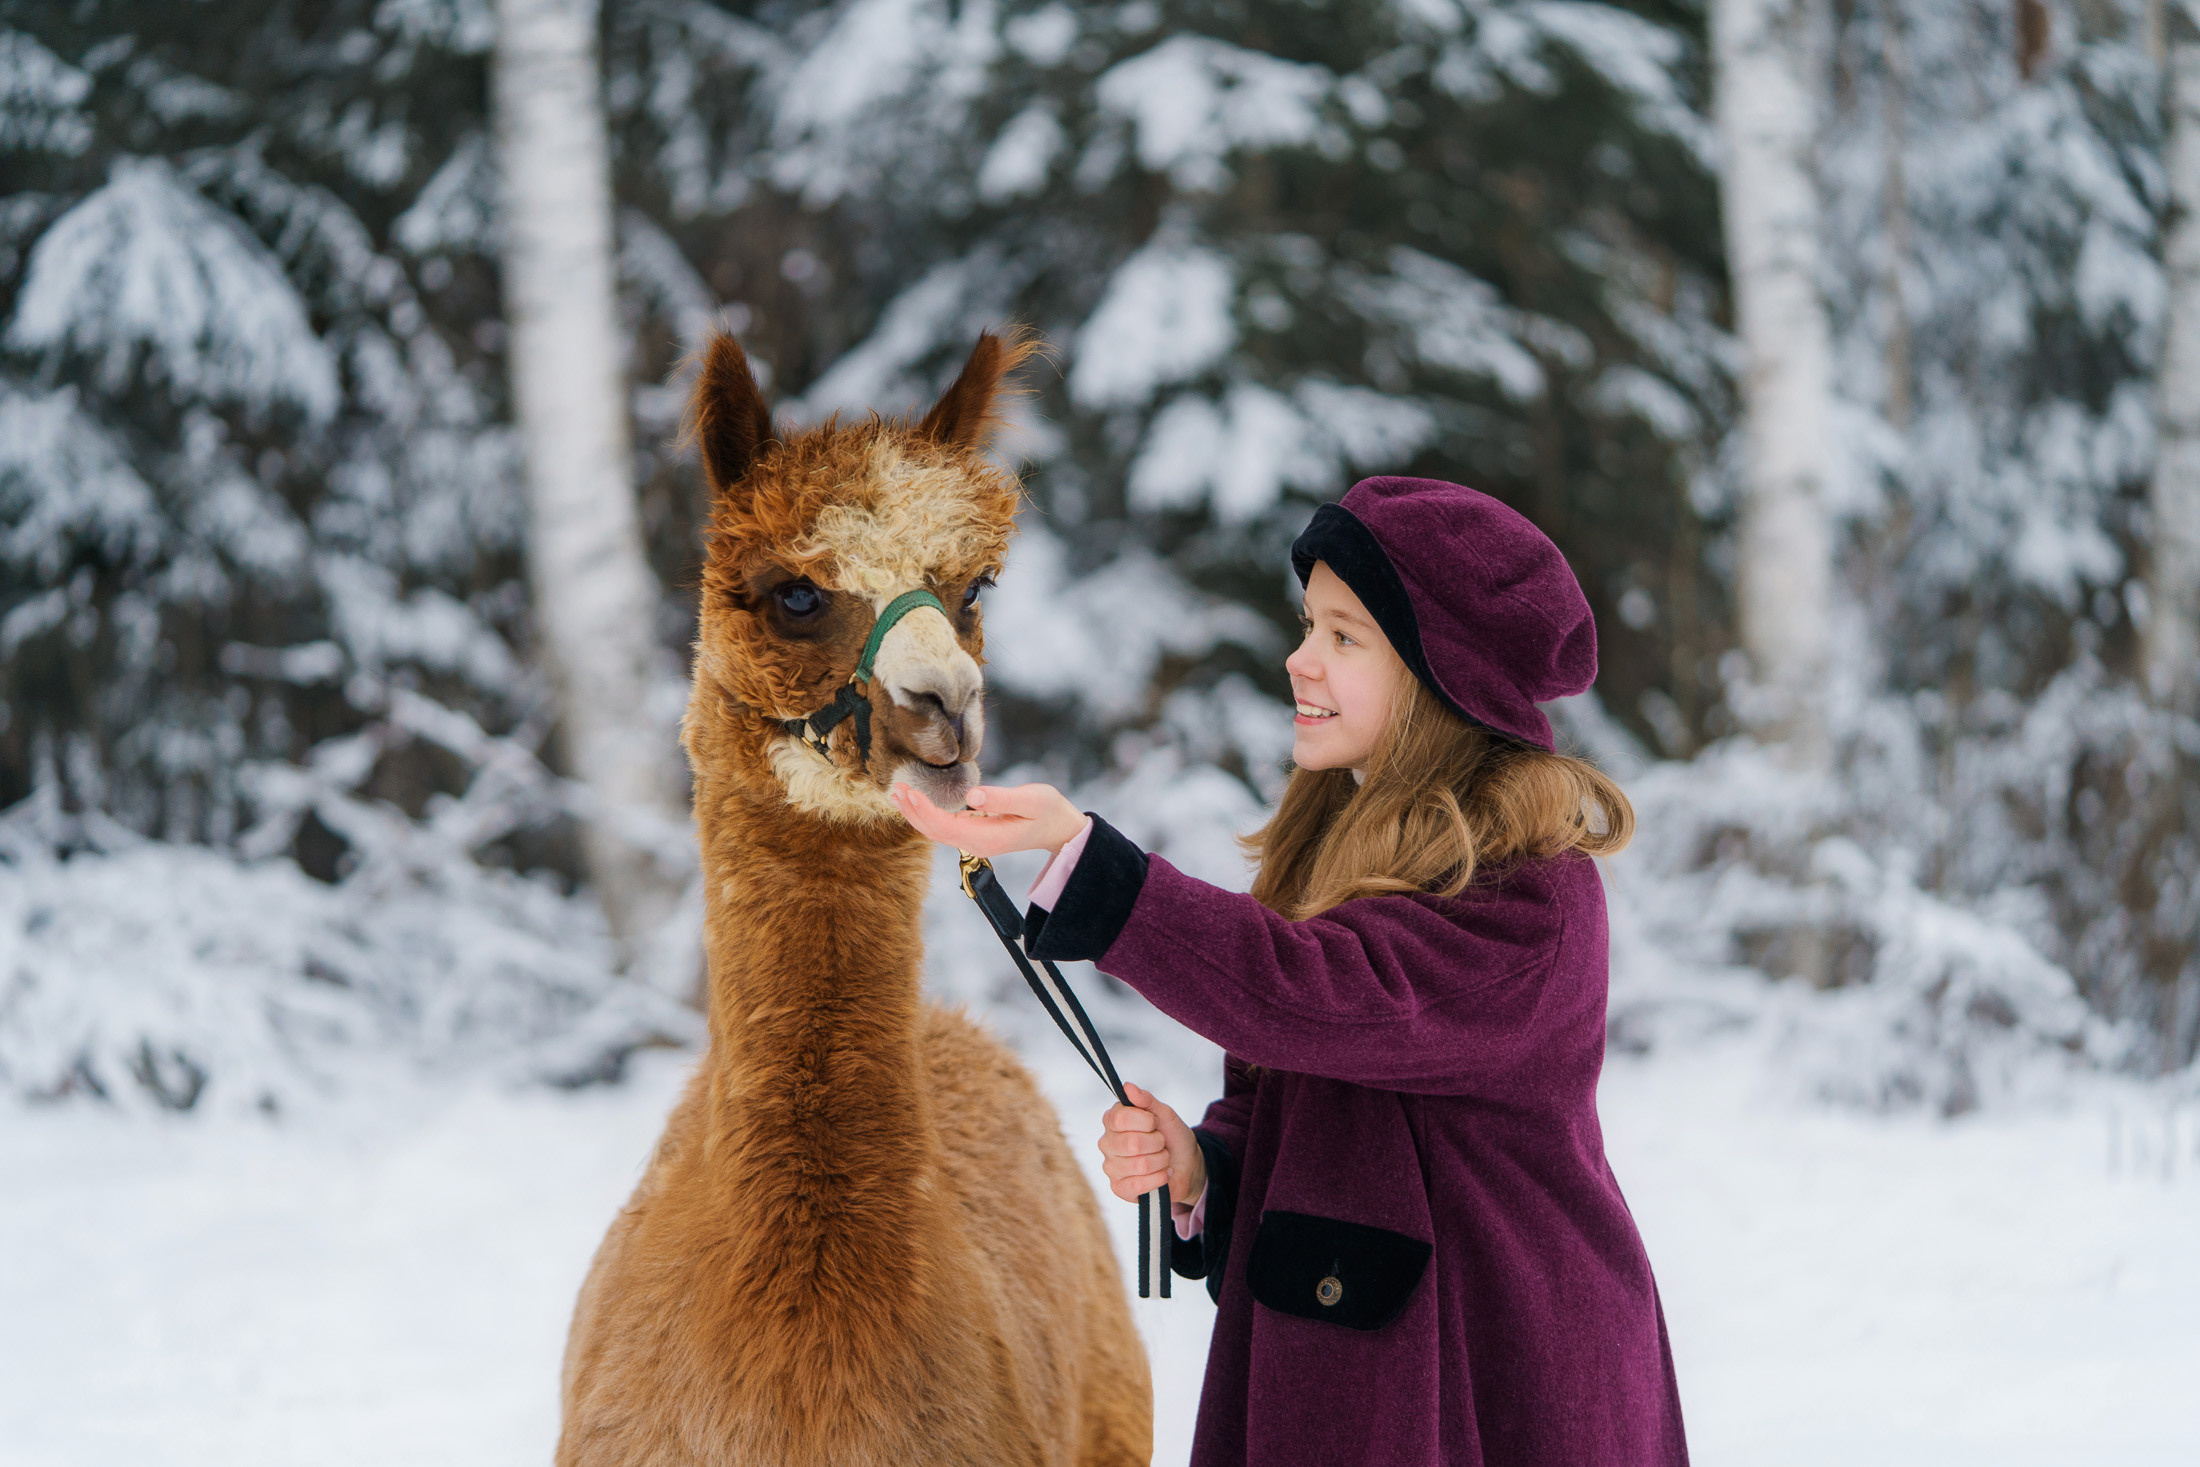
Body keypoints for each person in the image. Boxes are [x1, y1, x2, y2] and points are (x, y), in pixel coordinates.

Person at [892, 476, 1688, 1466]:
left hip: (1501, 1384)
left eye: (1344, 637)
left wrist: (1092, 867)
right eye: (1307, 624)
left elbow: (1319, 998)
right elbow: (1294, 1089)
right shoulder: (1332, 842)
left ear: (1446, 674)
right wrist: (1208, 1171)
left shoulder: (1531, 896)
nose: (1298, 660)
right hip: (1348, 1366)